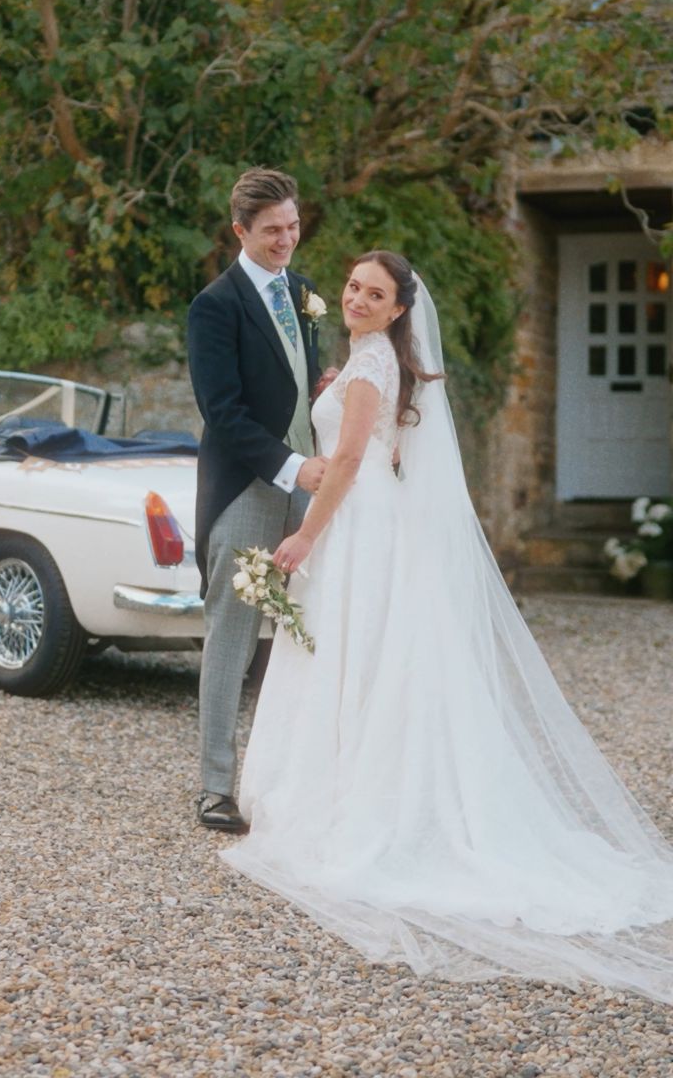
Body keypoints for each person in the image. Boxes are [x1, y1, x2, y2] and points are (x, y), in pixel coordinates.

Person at [223, 250, 673, 1004]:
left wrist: (304, 536)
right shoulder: (378, 362)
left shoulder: (372, 365)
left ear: (399, 309)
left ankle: (352, 804)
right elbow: (383, 444)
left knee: (353, 656)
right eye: (354, 287)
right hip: (378, 521)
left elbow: (349, 462)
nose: (357, 299)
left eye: (375, 294)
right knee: (366, 659)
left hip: (357, 524)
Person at [188, 167, 325, 832]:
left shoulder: (303, 292)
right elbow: (224, 413)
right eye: (272, 230)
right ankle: (215, 787)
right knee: (233, 639)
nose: (286, 239)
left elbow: (296, 385)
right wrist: (292, 467)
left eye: (292, 226)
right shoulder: (214, 306)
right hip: (248, 486)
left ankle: (304, 781)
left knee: (315, 629)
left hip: (309, 492)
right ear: (240, 231)